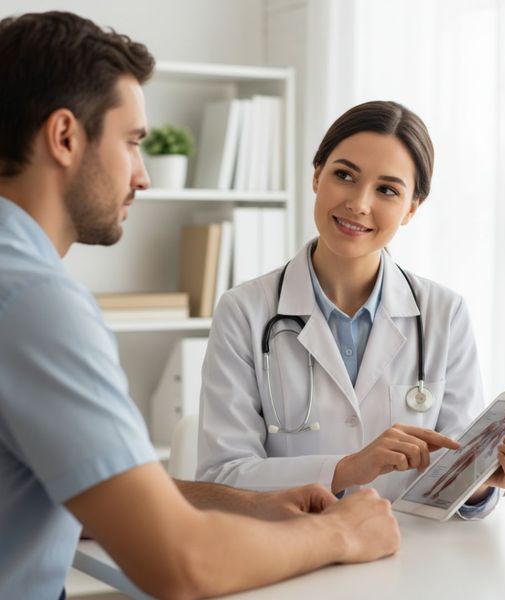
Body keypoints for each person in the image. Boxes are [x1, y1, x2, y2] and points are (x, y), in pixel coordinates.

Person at [0, 11, 400, 600]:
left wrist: (250, 506)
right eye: (133, 142)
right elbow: (181, 564)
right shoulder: (35, 302)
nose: (143, 176)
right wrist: (341, 533)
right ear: (64, 137)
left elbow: (87, 494)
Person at [196, 100, 505, 518]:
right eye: (344, 175)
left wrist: (482, 482)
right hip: (290, 554)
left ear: (412, 208)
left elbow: (456, 470)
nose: (359, 203)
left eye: (387, 189)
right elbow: (221, 477)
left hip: (408, 558)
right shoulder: (245, 312)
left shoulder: (444, 313)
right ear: (317, 176)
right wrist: (346, 469)